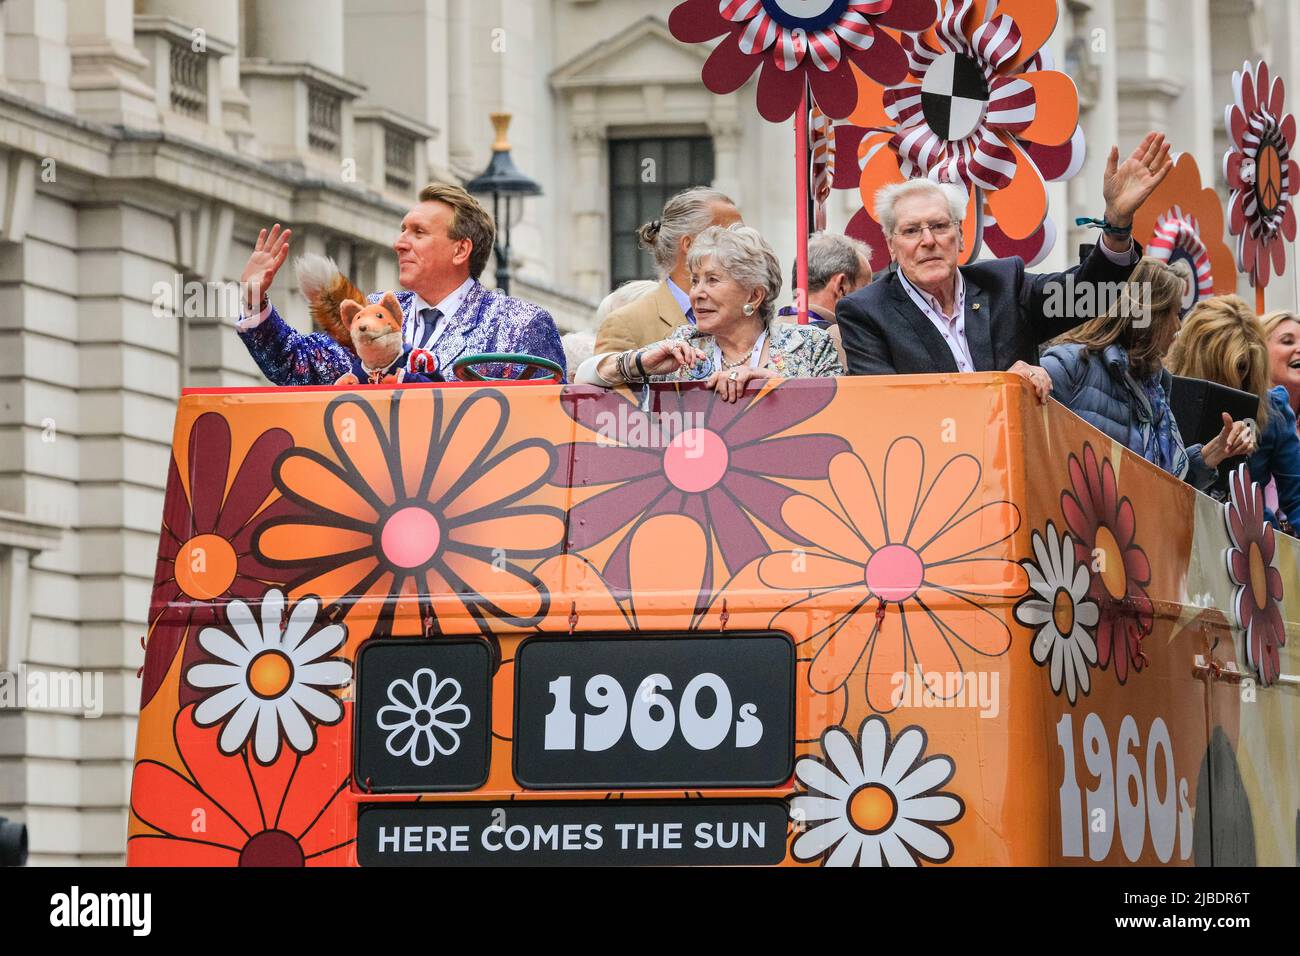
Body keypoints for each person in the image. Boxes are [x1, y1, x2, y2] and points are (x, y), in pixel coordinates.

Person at [838, 132, 1175, 402]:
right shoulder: (866, 312)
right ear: (891, 245)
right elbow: (887, 408)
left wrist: (1116, 224)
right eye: (911, 231)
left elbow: (1091, 295)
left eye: (940, 226)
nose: (928, 240)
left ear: (959, 234)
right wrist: (1002, 387)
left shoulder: (1004, 285)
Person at [235, 184, 565, 385]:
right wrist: (254, 299)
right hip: (376, 493)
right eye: (403, 230)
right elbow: (300, 366)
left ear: (460, 249)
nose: (399, 243)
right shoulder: (375, 312)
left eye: (418, 233)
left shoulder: (521, 324)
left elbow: (543, 427)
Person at [1041, 260, 1256, 489]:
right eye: (1175, 313)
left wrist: (1210, 456)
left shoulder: (1155, 386)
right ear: (1150, 314)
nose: (1178, 325)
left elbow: (1164, 488)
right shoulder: (1071, 365)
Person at [576, 224, 842, 402]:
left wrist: (779, 387)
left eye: (712, 280)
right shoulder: (683, 346)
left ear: (754, 295)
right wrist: (641, 362)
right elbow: (585, 376)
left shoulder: (810, 345)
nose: (696, 294)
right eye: (694, 281)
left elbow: (840, 413)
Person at [1168, 297, 1300, 527]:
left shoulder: (1272, 409)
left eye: (1244, 368)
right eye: (1230, 368)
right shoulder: (1162, 396)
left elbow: (1297, 497)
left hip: (1250, 546)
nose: (1237, 379)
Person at [594, 187, 742, 353]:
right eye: (729, 237)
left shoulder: (746, 316)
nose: (743, 247)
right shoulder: (626, 325)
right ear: (689, 244)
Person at [776, 232, 873, 367]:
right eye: (866, 289)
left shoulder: (762, 335)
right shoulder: (841, 339)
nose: (870, 299)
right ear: (841, 286)